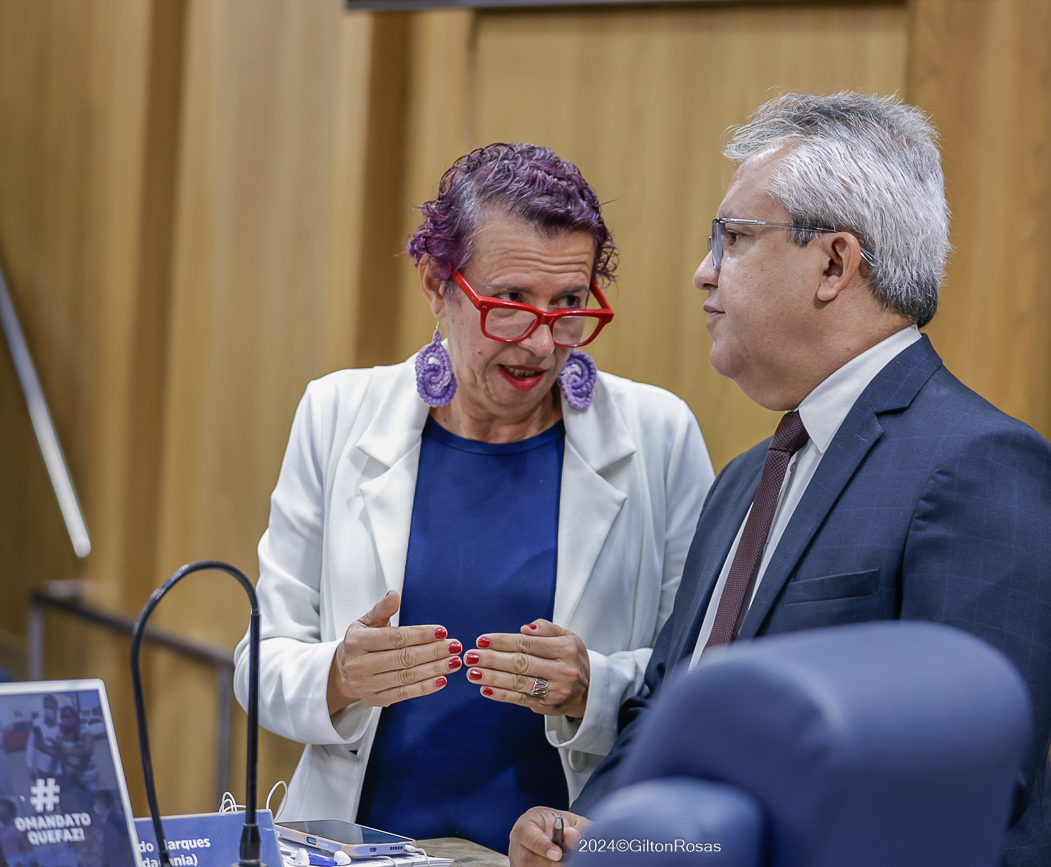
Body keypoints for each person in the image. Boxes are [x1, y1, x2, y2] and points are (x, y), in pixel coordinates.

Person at [509, 92, 1051, 867]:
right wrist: (597, 835)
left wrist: (694, 845)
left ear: (835, 264)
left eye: (735, 238)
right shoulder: (745, 480)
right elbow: (663, 708)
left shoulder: (983, 465)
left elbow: (963, 774)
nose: (703, 272)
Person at [233, 143, 713, 852]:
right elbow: (260, 663)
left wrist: (593, 686)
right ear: (437, 284)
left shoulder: (659, 437)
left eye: (568, 305)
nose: (542, 345)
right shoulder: (335, 414)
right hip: (359, 848)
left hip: (558, 849)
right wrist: (338, 674)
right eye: (511, 303)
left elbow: (700, 678)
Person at [25, 696, 61, 782]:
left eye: (51, 707)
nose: (49, 710)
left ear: (57, 708)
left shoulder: (62, 724)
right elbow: (31, 744)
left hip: (60, 771)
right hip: (43, 770)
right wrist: (30, 766)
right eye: (46, 707)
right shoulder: (37, 723)